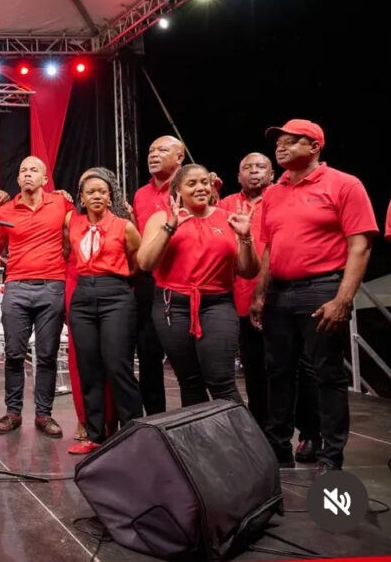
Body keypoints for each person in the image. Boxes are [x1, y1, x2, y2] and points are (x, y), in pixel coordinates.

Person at [250, 119, 377, 474]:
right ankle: (278, 449)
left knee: (327, 374)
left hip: (321, 288)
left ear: (315, 146)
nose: (281, 147)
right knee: (278, 372)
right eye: (279, 142)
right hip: (279, 292)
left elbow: (361, 245)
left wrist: (343, 299)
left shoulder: (344, 184)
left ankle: (330, 457)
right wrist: (259, 294)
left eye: (292, 141)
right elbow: (270, 247)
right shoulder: (273, 192)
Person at [217, 153, 320, 461]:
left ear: (272, 174)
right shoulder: (226, 204)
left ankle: (311, 433)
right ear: (238, 176)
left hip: (282, 295)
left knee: (297, 368)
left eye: (260, 167)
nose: (253, 172)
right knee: (255, 370)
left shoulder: (281, 198)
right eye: (247, 167)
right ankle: (265, 433)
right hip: (241, 296)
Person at [138, 164, 258, 408]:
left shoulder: (228, 218)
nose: (201, 188)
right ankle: (200, 435)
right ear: (178, 190)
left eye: (205, 182)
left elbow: (248, 271)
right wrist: (170, 227)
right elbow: (146, 263)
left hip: (218, 304)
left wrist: (246, 237)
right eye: (192, 184)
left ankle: (241, 433)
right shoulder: (162, 218)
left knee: (221, 379)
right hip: (173, 305)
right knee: (190, 382)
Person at [63, 168, 143, 453]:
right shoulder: (72, 222)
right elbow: (67, 252)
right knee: (89, 368)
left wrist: (116, 279)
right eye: (90, 192)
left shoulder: (125, 226)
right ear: (82, 198)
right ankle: (95, 435)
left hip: (116, 295)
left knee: (117, 365)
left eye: (102, 192)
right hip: (83, 295)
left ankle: (133, 433)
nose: (96, 196)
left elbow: (137, 262)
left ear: (110, 197)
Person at [0, 157, 71, 438]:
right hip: (16, 287)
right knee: (14, 354)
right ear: (17, 179)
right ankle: (13, 412)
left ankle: (43, 414)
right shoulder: (5, 210)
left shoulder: (61, 203)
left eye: (33, 170)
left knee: (47, 355)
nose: (27, 174)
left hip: (52, 286)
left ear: (45, 179)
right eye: (23, 170)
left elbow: (73, 234)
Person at [130, 136, 184, 415]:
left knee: (186, 358)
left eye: (162, 150)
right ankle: (155, 420)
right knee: (148, 354)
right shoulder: (140, 194)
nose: (153, 155)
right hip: (149, 282)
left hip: (182, 279)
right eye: (151, 150)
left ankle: (194, 419)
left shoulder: (190, 187)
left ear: (179, 157)